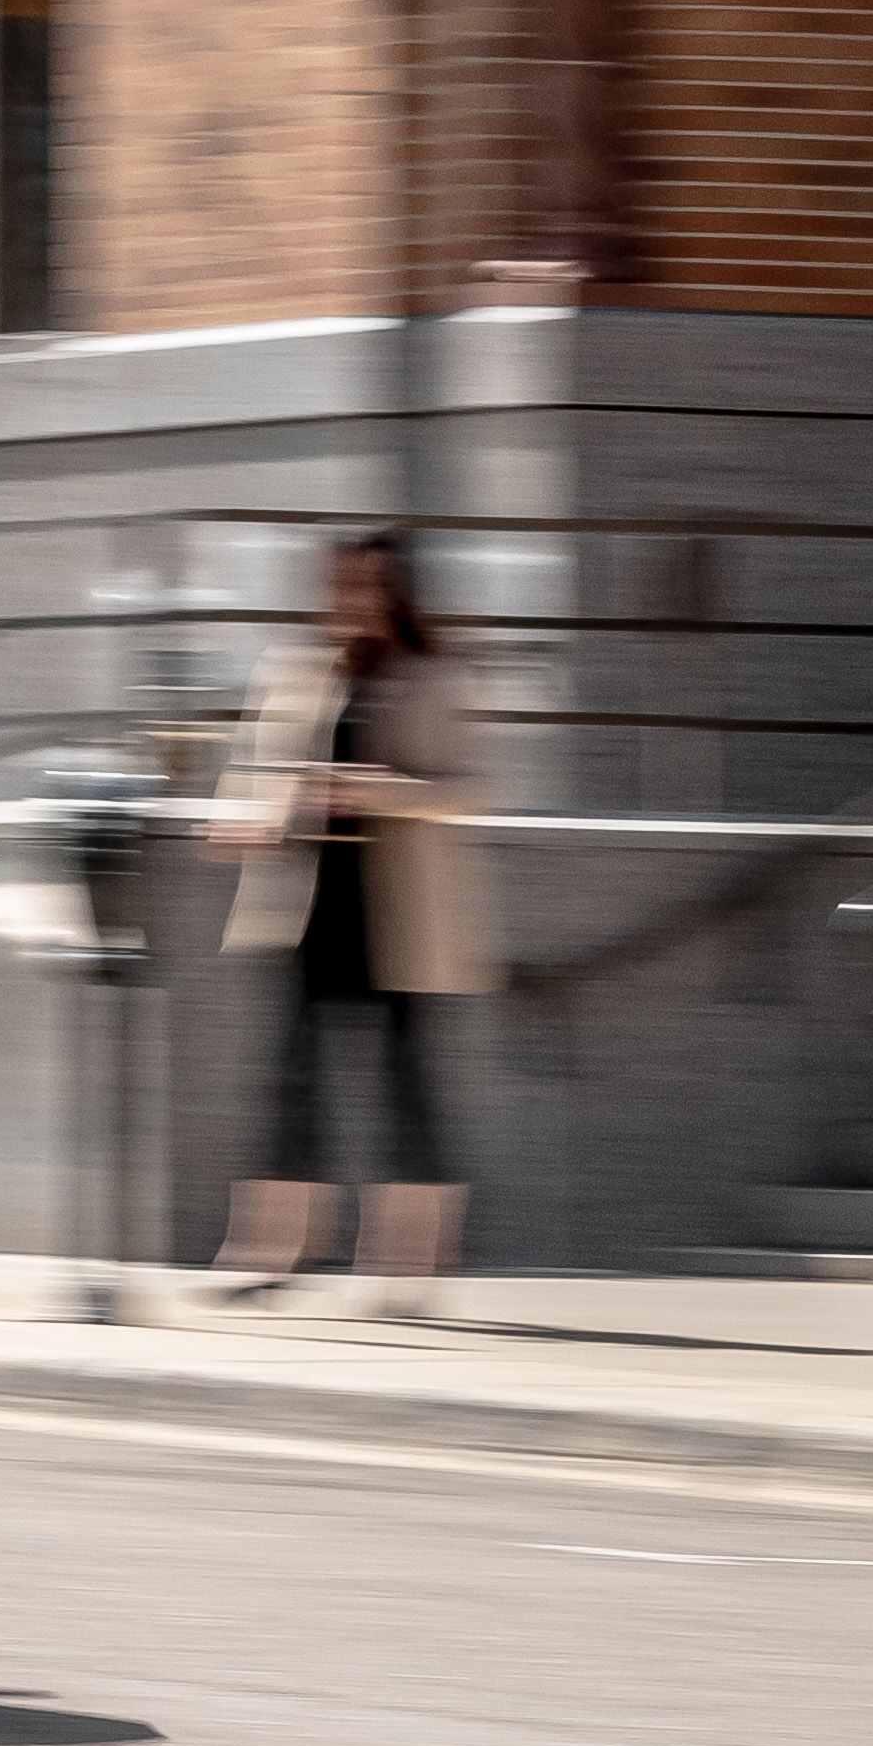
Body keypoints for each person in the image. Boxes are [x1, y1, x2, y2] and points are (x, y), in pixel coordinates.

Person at [208, 530, 497, 1311]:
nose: (352, 601)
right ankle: (272, 1251)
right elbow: (254, 769)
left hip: (398, 913)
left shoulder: (432, 676)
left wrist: (376, 789)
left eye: (369, 587)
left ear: (398, 594)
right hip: (308, 908)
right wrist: (251, 817)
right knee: (288, 1083)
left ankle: (412, 1263)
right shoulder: (296, 668)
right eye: (342, 585)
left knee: (406, 1087)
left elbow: (468, 788)